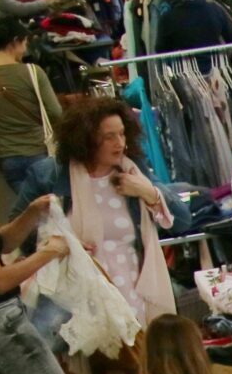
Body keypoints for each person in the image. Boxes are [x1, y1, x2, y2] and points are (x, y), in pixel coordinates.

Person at [11, 96, 190, 326]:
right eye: (109, 136)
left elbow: (183, 220)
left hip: (133, 293)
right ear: (86, 139)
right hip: (76, 300)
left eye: (122, 133)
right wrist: (56, 244)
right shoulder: (50, 175)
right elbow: (16, 235)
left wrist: (149, 192)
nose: (120, 143)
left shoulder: (133, 170)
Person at [0, 195, 83, 374]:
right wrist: (48, 253)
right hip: (4, 325)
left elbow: (2, 242)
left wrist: (31, 214)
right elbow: (0, 282)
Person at [0, 16, 60, 189]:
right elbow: (55, 112)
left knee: (29, 210)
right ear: (14, 42)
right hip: (39, 151)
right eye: (24, 42)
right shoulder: (33, 72)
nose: (25, 48)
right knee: (52, 210)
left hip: (7, 158)